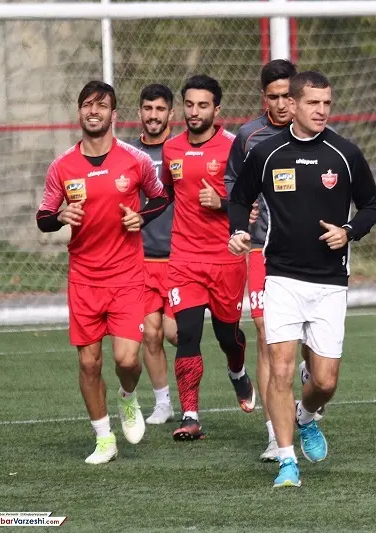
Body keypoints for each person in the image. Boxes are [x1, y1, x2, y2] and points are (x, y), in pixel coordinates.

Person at [228, 71, 376, 488]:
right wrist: (238, 230)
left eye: (327, 103)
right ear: (293, 105)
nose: (322, 110)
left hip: (330, 281)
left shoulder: (345, 153)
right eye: (314, 102)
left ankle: (306, 415)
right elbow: (239, 198)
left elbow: (371, 206)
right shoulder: (267, 152)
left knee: (326, 382)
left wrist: (349, 231)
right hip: (281, 278)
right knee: (280, 370)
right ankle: (286, 460)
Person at [36, 81, 169, 463]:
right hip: (84, 278)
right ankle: (104, 438)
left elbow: (161, 197)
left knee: (127, 360)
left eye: (101, 105)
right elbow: (43, 217)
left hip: (126, 275)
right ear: (79, 112)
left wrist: (140, 217)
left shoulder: (134, 160)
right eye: (87, 105)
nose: (94, 111)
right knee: (88, 363)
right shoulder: (62, 166)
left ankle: (128, 396)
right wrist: (60, 215)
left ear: (114, 114)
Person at [224, 59, 316, 462]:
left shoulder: (316, 132)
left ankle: (309, 389)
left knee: (310, 343)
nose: (281, 104)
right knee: (266, 336)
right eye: (273, 97)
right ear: (264, 97)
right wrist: (240, 211)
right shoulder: (249, 136)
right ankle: (273, 435)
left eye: (286, 96)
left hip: (310, 251)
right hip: (262, 250)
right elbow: (232, 182)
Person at [160, 74, 255, 441]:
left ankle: (237, 372)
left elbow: (251, 201)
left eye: (203, 105)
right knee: (186, 334)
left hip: (226, 257)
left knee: (227, 335)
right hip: (184, 258)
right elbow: (167, 193)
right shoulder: (171, 149)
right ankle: (190, 416)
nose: (194, 111)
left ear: (217, 109)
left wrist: (222, 203)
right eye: (189, 104)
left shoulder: (235, 147)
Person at [130, 83, 177, 425]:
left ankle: (191, 394)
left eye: (160, 109)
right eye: (148, 108)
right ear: (139, 113)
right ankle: (163, 403)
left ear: (171, 114)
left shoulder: (180, 150)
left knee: (176, 334)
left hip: (178, 259)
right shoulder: (129, 155)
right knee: (151, 333)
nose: (153, 115)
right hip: (141, 260)